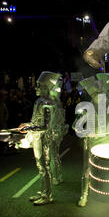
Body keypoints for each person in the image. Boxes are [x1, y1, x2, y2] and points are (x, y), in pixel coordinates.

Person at [17, 72, 68, 206]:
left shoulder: (47, 103)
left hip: (43, 138)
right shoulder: (39, 101)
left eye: (39, 85)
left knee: (44, 166)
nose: (36, 87)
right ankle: (43, 191)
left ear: (46, 87)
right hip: (37, 137)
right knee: (40, 166)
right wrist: (27, 125)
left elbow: (45, 125)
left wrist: (29, 128)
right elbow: (36, 121)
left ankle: (48, 195)